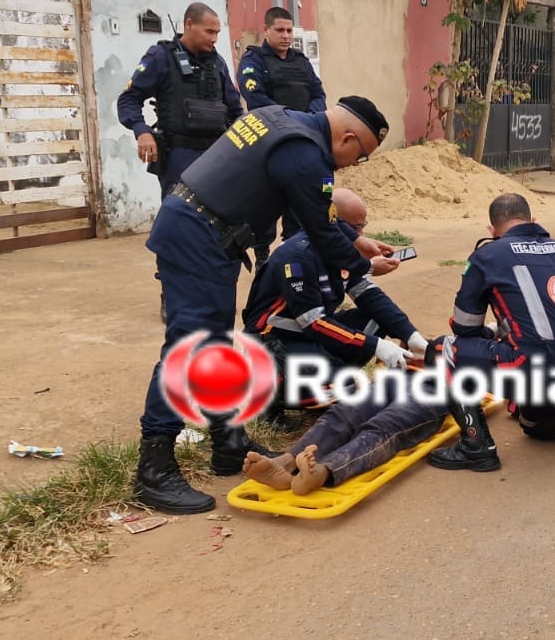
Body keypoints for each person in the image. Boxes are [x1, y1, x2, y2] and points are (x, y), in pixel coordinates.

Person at [134, 96, 405, 515]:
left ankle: (228, 443)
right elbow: (317, 229)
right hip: (198, 238)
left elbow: (314, 214)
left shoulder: (280, 120)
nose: (354, 165)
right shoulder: (305, 153)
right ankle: (153, 467)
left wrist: (355, 239)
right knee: (190, 347)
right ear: (348, 138)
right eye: (361, 156)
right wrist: (363, 265)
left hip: (204, 232)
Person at [424, 193, 555, 473]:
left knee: (443, 350)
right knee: (535, 427)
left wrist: (499, 333)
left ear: (492, 231)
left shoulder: (487, 255)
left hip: (530, 365)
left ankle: (477, 448)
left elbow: (466, 328)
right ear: (533, 220)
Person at [244, 187, 428, 400]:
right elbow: (314, 323)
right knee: (345, 386)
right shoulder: (298, 257)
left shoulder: (341, 253)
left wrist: (412, 337)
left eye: (362, 227)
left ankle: (331, 371)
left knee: (377, 318)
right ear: (330, 223)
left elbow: (371, 297)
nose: (360, 237)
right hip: (274, 343)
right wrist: (375, 345)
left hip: (307, 336)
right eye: (354, 228)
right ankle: (273, 395)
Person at [242, 372, 448, 496]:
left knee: (383, 427)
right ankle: (287, 462)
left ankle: (322, 472)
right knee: (344, 413)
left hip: (438, 389)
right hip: (401, 376)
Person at [117, 3, 245, 196]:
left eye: (217, 33)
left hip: (216, 157)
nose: (214, 39)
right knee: (180, 219)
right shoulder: (161, 57)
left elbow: (235, 111)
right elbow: (129, 99)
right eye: (209, 32)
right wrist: (142, 131)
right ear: (189, 24)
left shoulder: (217, 63)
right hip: (179, 157)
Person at [238, 7, 327, 113]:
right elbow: (255, 97)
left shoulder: (301, 60)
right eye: (280, 30)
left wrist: (310, 117)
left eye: (289, 31)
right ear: (266, 30)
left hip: (306, 125)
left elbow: (318, 94)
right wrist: (287, 116)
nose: (286, 36)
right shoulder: (254, 59)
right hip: (273, 125)